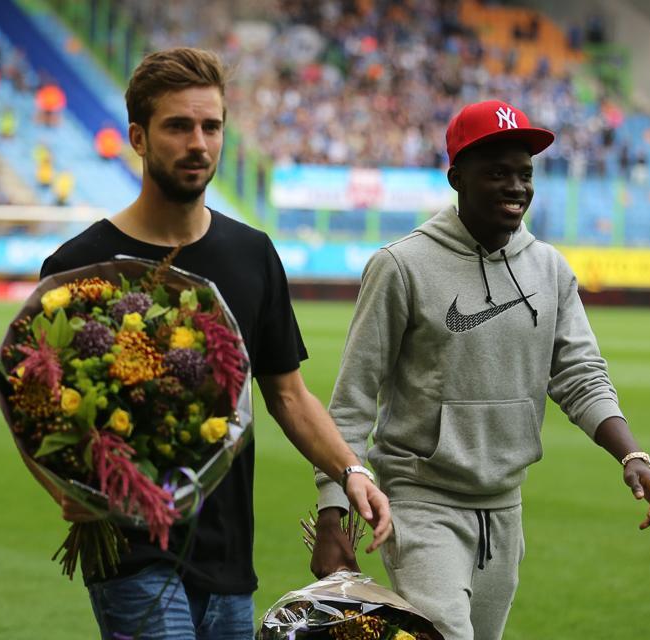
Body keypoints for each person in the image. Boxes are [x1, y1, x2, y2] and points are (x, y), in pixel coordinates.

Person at [36, 47, 391, 640]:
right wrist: (63, 484)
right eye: (178, 126)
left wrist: (351, 470)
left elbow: (288, 395)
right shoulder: (81, 265)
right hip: (131, 550)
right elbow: (43, 407)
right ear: (138, 137)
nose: (198, 143)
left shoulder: (253, 255)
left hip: (229, 554)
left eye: (211, 126)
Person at [311, 99, 650, 640]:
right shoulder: (400, 266)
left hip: (505, 507)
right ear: (457, 177)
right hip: (420, 502)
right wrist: (332, 513)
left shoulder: (549, 268)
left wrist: (631, 454)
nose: (516, 187)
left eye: (525, 174)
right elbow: (353, 400)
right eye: (497, 173)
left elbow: (580, 374)